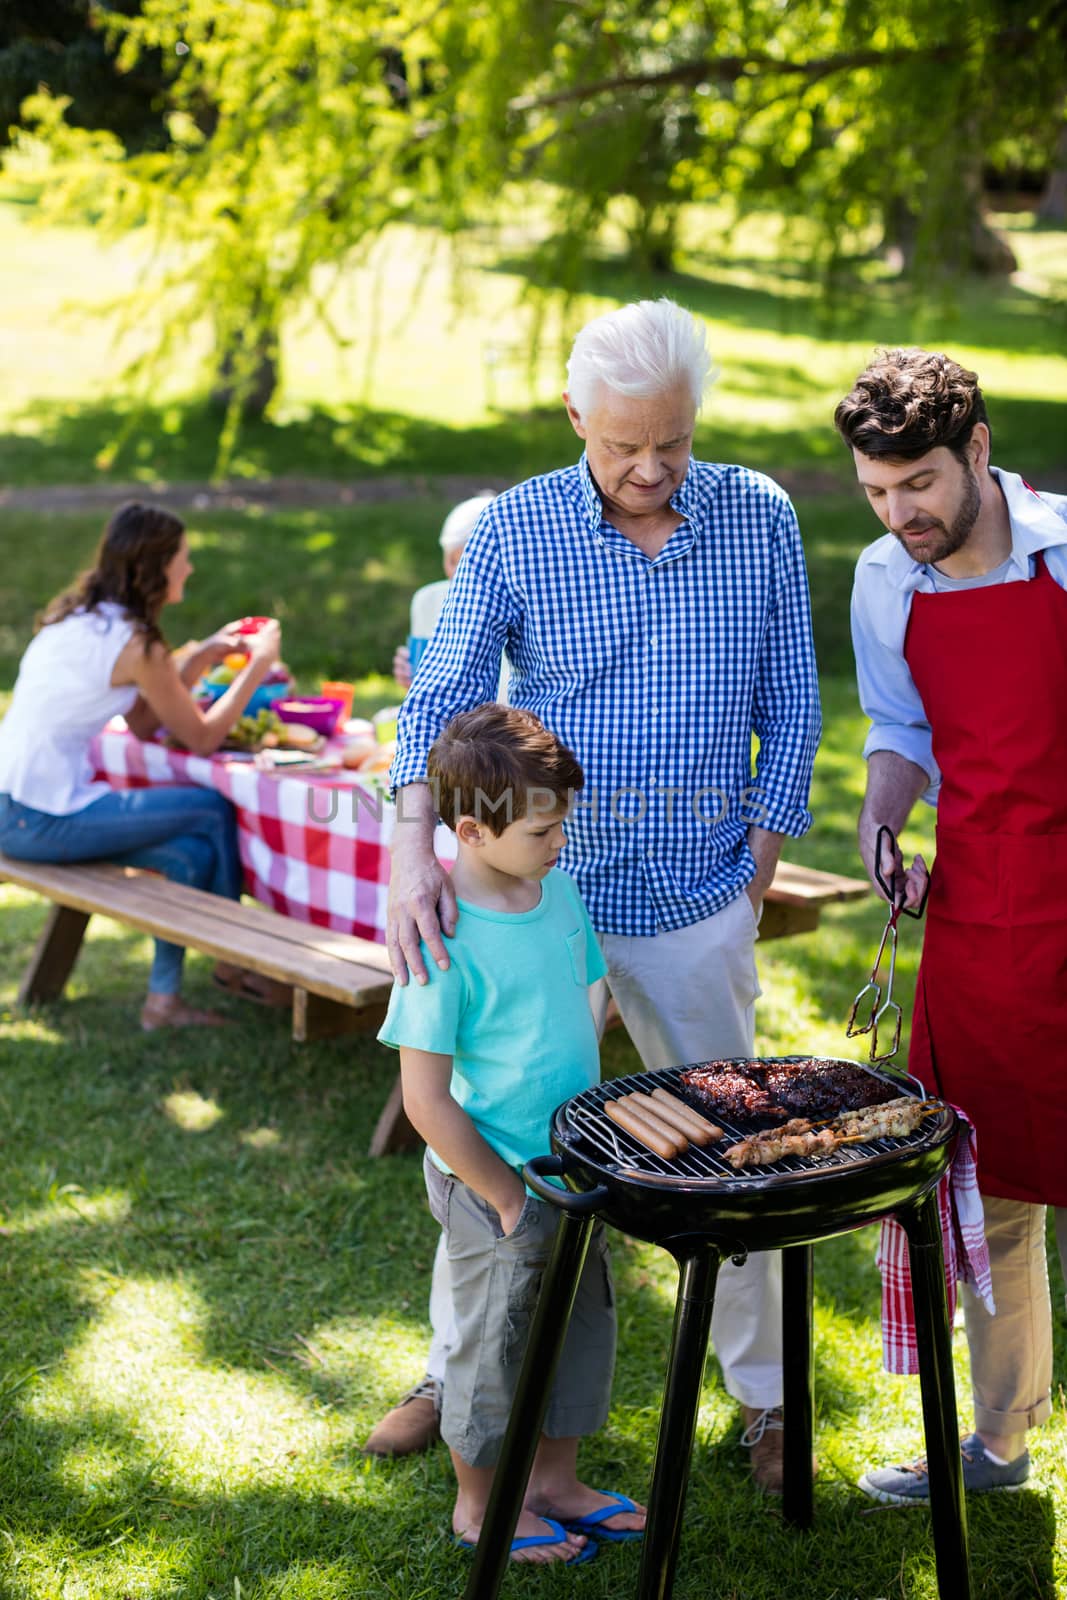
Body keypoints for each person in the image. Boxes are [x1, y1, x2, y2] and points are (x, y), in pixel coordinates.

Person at [365, 298, 822, 1492]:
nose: (648, 466)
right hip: (530, 889)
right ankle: (456, 1371)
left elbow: (795, 693)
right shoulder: (517, 529)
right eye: (622, 443)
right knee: (495, 1139)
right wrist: (416, 844)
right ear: (576, 416)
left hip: (695, 888)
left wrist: (764, 848)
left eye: (669, 440)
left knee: (733, 1149)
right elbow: (443, 697)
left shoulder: (757, 515)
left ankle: (765, 1397)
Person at [837, 348, 1067, 1502]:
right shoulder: (884, 579)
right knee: (994, 1192)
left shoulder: (1066, 554)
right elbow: (897, 730)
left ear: (977, 448)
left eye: (917, 482)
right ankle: (997, 1442)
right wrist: (884, 821)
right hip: (979, 917)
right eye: (877, 492)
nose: (899, 514)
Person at [377, 703, 646, 1564]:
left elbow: (588, 988)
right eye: (541, 829)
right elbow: (424, 1099)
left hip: (572, 1167)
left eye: (563, 821)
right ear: (469, 830)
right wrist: (499, 1194)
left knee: (575, 1330)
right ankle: (478, 1502)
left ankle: (554, 1482)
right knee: (490, 1346)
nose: (559, 840)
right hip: (489, 1183)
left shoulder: (554, 885)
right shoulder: (442, 938)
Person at [0, 500, 285, 1031]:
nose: (190, 568)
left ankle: (163, 1003)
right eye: (183, 557)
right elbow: (200, 739)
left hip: (14, 808)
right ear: (156, 567)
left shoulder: (78, 617)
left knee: (188, 853)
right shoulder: (138, 643)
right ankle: (234, 957)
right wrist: (259, 666)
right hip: (35, 817)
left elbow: (138, 721)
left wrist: (203, 657)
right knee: (209, 806)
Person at [391, 493, 496, 689]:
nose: (458, 571)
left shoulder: (516, 603)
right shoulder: (428, 600)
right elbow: (424, 684)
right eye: (451, 561)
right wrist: (410, 679)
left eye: (465, 560)